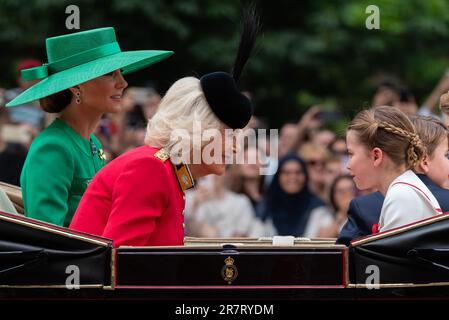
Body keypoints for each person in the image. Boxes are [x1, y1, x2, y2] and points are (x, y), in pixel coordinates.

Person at [70, 7, 260, 247]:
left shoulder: (169, 173)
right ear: (199, 131)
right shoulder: (151, 169)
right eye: (229, 135)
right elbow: (120, 265)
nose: (235, 147)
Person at [4, 27, 173, 227]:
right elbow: (48, 238)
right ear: (76, 86)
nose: (123, 83)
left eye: (121, 73)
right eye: (111, 74)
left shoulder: (92, 142)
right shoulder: (53, 148)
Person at [337, 115, 449, 245]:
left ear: (376, 156)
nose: (348, 165)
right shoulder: (403, 190)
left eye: (351, 154)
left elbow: (391, 264)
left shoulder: (402, 195)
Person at [256, 153, 333, 238]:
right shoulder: (265, 207)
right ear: (278, 176)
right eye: (286, 172)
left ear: (305, 176)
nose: (293, 177)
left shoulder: (318, 208)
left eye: (298, 172)